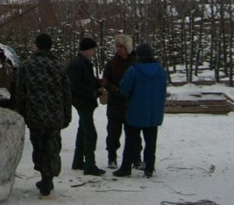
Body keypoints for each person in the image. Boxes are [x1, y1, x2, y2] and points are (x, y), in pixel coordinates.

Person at [16, 33, 72, 198]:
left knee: (39, 146)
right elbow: (67, 93)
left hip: (35, 114)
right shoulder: (59, 66)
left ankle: (44, 177)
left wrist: (22, 113)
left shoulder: (27, 65)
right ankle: (48, 177)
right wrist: (67, 115)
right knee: (52, 147)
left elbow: (20, 92)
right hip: (55, 114)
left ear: (37, 46)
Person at [113, 42, 167, 179]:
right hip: (153, 111)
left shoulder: (134, 70)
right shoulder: (160, 70)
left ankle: (126, 168)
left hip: (135, 110)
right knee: (151, 142)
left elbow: (124, 88)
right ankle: (149, 167)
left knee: (131, 140)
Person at [101, 34, 141, 169]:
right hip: (115, 104)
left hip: (132, 104)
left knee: (134, 135)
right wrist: (116, 90)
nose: (119, 49)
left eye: (122, 47)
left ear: (127, 47)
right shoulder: (112, 63)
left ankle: (136, 159)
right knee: (113, 134)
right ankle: (112, 157)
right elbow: (106, 81)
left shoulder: (136, 63)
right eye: (117, 46)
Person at [67, 36, 105, 176]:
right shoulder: (78, 64)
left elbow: (85, 80)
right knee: (90, 133)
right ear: (87, 49)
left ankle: (78, 161)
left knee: (83, 130)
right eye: (93, 49)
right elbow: (75, 84)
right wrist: (92, 92)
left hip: (84, 101)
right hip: (83, 102)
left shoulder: (82, 63)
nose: (94, 52)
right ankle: (90, 164)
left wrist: (97, 83)